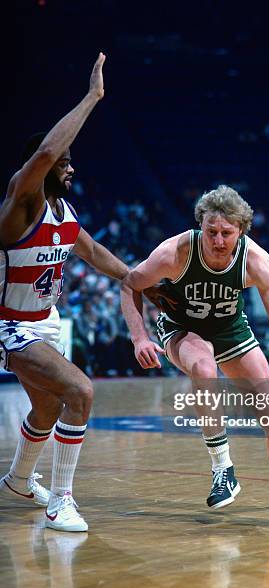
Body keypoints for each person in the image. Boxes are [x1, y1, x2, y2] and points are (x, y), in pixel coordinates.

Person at [121, 185, 269, 512]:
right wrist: (139, 337)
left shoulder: (256, 261)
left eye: (226, 233)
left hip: (228, 328)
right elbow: (129, 284)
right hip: (182, 326)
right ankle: (223, 468)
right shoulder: (175, 252)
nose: (218, 241)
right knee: (205, 369)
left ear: (241, 231)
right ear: (200, 227)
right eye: (211, 232)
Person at [0, 53, 129, 532]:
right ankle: (61, 501)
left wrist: (145, 285)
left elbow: (95, 255)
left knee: (49, 405)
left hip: (42, 321)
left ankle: (17, 479)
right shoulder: (22, 200)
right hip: (9, 322)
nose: (70, 168)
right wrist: (93, 97)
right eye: (65, 162)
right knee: (79, 391)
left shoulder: (63, 210)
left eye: (72, 163)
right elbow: (46, 155)